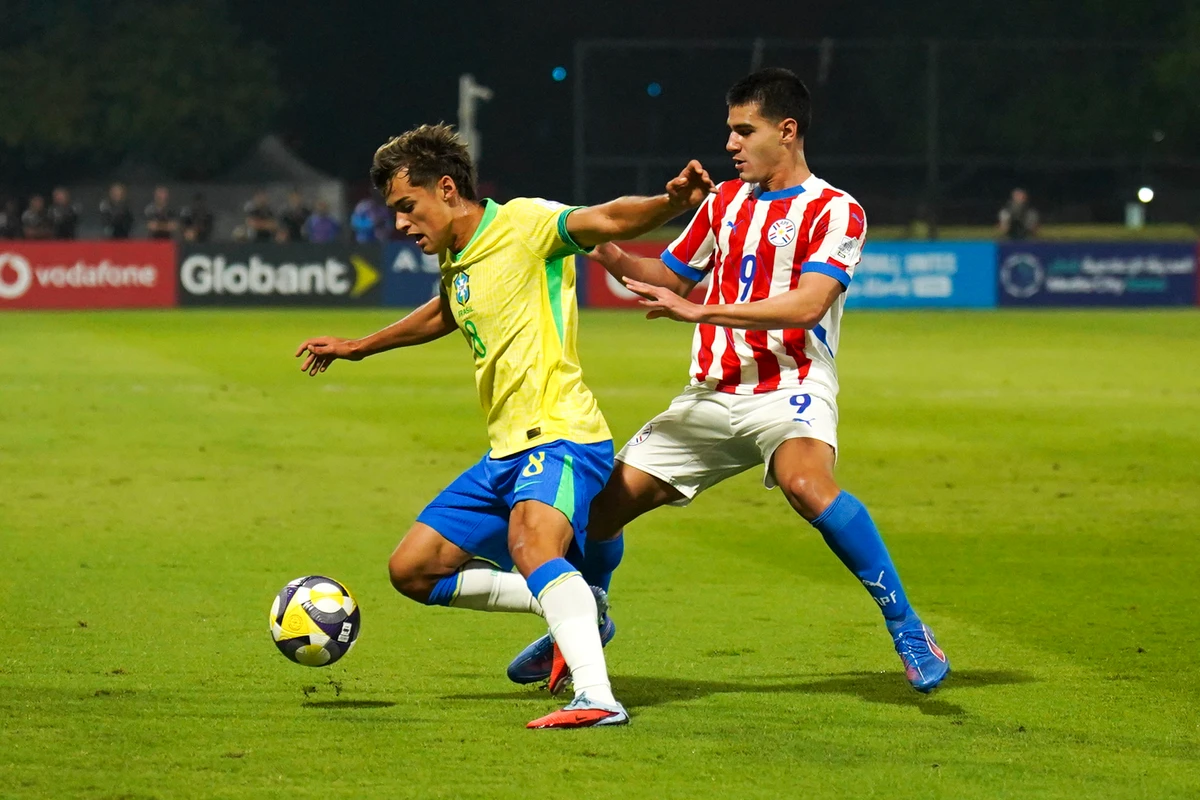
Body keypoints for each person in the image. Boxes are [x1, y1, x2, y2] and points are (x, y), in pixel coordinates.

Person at [508, 68, 951, 695]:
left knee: (806, 484)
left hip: (789, 387)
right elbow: (665, 276)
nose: (731, 144)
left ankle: (907, 626)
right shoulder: (723, 203)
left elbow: (806, 305)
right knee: (599, 510)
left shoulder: (836, 209)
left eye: (745, 130)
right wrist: (593, 240)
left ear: (787, 131)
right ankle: (586, 620)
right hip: (711, 395)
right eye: (730, 131)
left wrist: (699, 311)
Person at [294, 123, 712, 728]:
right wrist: (360, 346)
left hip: (563, 433)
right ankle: (574, 601)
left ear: (445, 188)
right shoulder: (457, 258)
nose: (402, 224)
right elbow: (448, 309)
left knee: (531, 546)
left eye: (407, 207)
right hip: (505, 452)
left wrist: (670, 203)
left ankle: (597, 697)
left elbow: (608, 220)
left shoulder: (526, 223)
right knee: (411, 570)